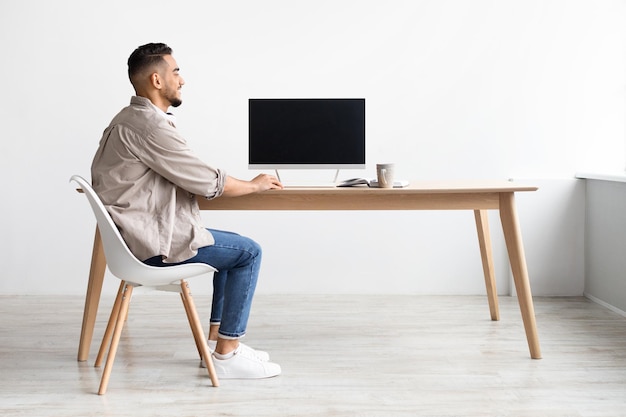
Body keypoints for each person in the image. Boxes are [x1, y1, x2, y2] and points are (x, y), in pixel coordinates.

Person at [91, 42, 283, 379]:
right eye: (176, 71)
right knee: (248, 252)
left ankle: (217, 344)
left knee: (232, 245)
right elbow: (206, 181)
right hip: (152, 247)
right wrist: (254, 185)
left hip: (130, 242)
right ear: (157, 80)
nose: (182, 80)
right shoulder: (150, 127)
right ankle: (227, 353)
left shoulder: (126, 119)